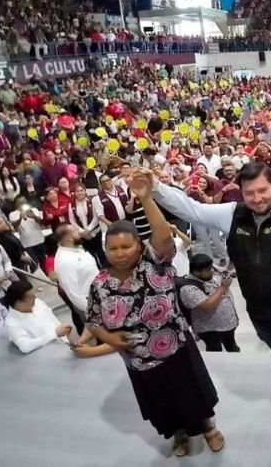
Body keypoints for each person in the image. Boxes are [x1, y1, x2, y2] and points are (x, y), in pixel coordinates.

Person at [149, 121, 271, 452]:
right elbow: (193, 209)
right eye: (250, 193)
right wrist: (157, 187)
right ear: (241, 192)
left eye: (263, 190)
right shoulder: (233, 214)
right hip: (261, 312)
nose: (257, 198)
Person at [85, 171, 224, 457]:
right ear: (105, 250)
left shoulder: (154, 263)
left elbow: (162, 237)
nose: (120, 253)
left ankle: (208, 427)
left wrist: (146, 198)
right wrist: (110, 339)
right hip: (140, 362)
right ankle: (179, 434)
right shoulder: (99, 284)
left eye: (126, 246)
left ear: (139, 246)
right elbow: (94, 321)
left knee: (194, 395)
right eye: (113, 248)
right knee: (163, 404)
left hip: (176, 350)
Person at [177, 254, 240, 352]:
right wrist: (223, 287)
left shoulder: (211, 270)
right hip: (210, 330)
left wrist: (230, 274)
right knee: (215, 351)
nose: (211, 271)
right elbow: (207, 305)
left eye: (211, 268)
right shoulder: (188, 287)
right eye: (207, 270)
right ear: (196, 272)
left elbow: (224, 271)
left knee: (232, 346)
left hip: (229, 324)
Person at [53, 224, 100, 335]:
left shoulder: (76, 248)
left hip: (99, 297)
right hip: (90, 305)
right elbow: (73, 292)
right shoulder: (64, 261)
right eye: (75, 231)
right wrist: (90, 310)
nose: (79, 232)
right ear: (69, 237)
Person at [3, 279, 72, 354]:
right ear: (19, 302)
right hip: (48, 355)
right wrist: (54, 334)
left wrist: (65, 336)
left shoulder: (38, 303)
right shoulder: (12, 323)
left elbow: (52, 318)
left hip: (64, 345)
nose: (35, 298)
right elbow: (25, 346)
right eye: (31, 297)